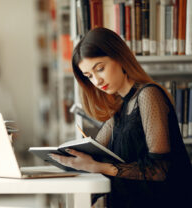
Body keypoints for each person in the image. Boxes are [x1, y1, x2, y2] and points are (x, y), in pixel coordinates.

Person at [50, 27, 192, 208]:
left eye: (100, 69)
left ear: (119, 57)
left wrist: (98, 167)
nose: (97, 81)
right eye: (89, 76)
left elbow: (159, 169)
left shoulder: (148, 95)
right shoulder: (119, 108)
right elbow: (96, 151)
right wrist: (65, 157)